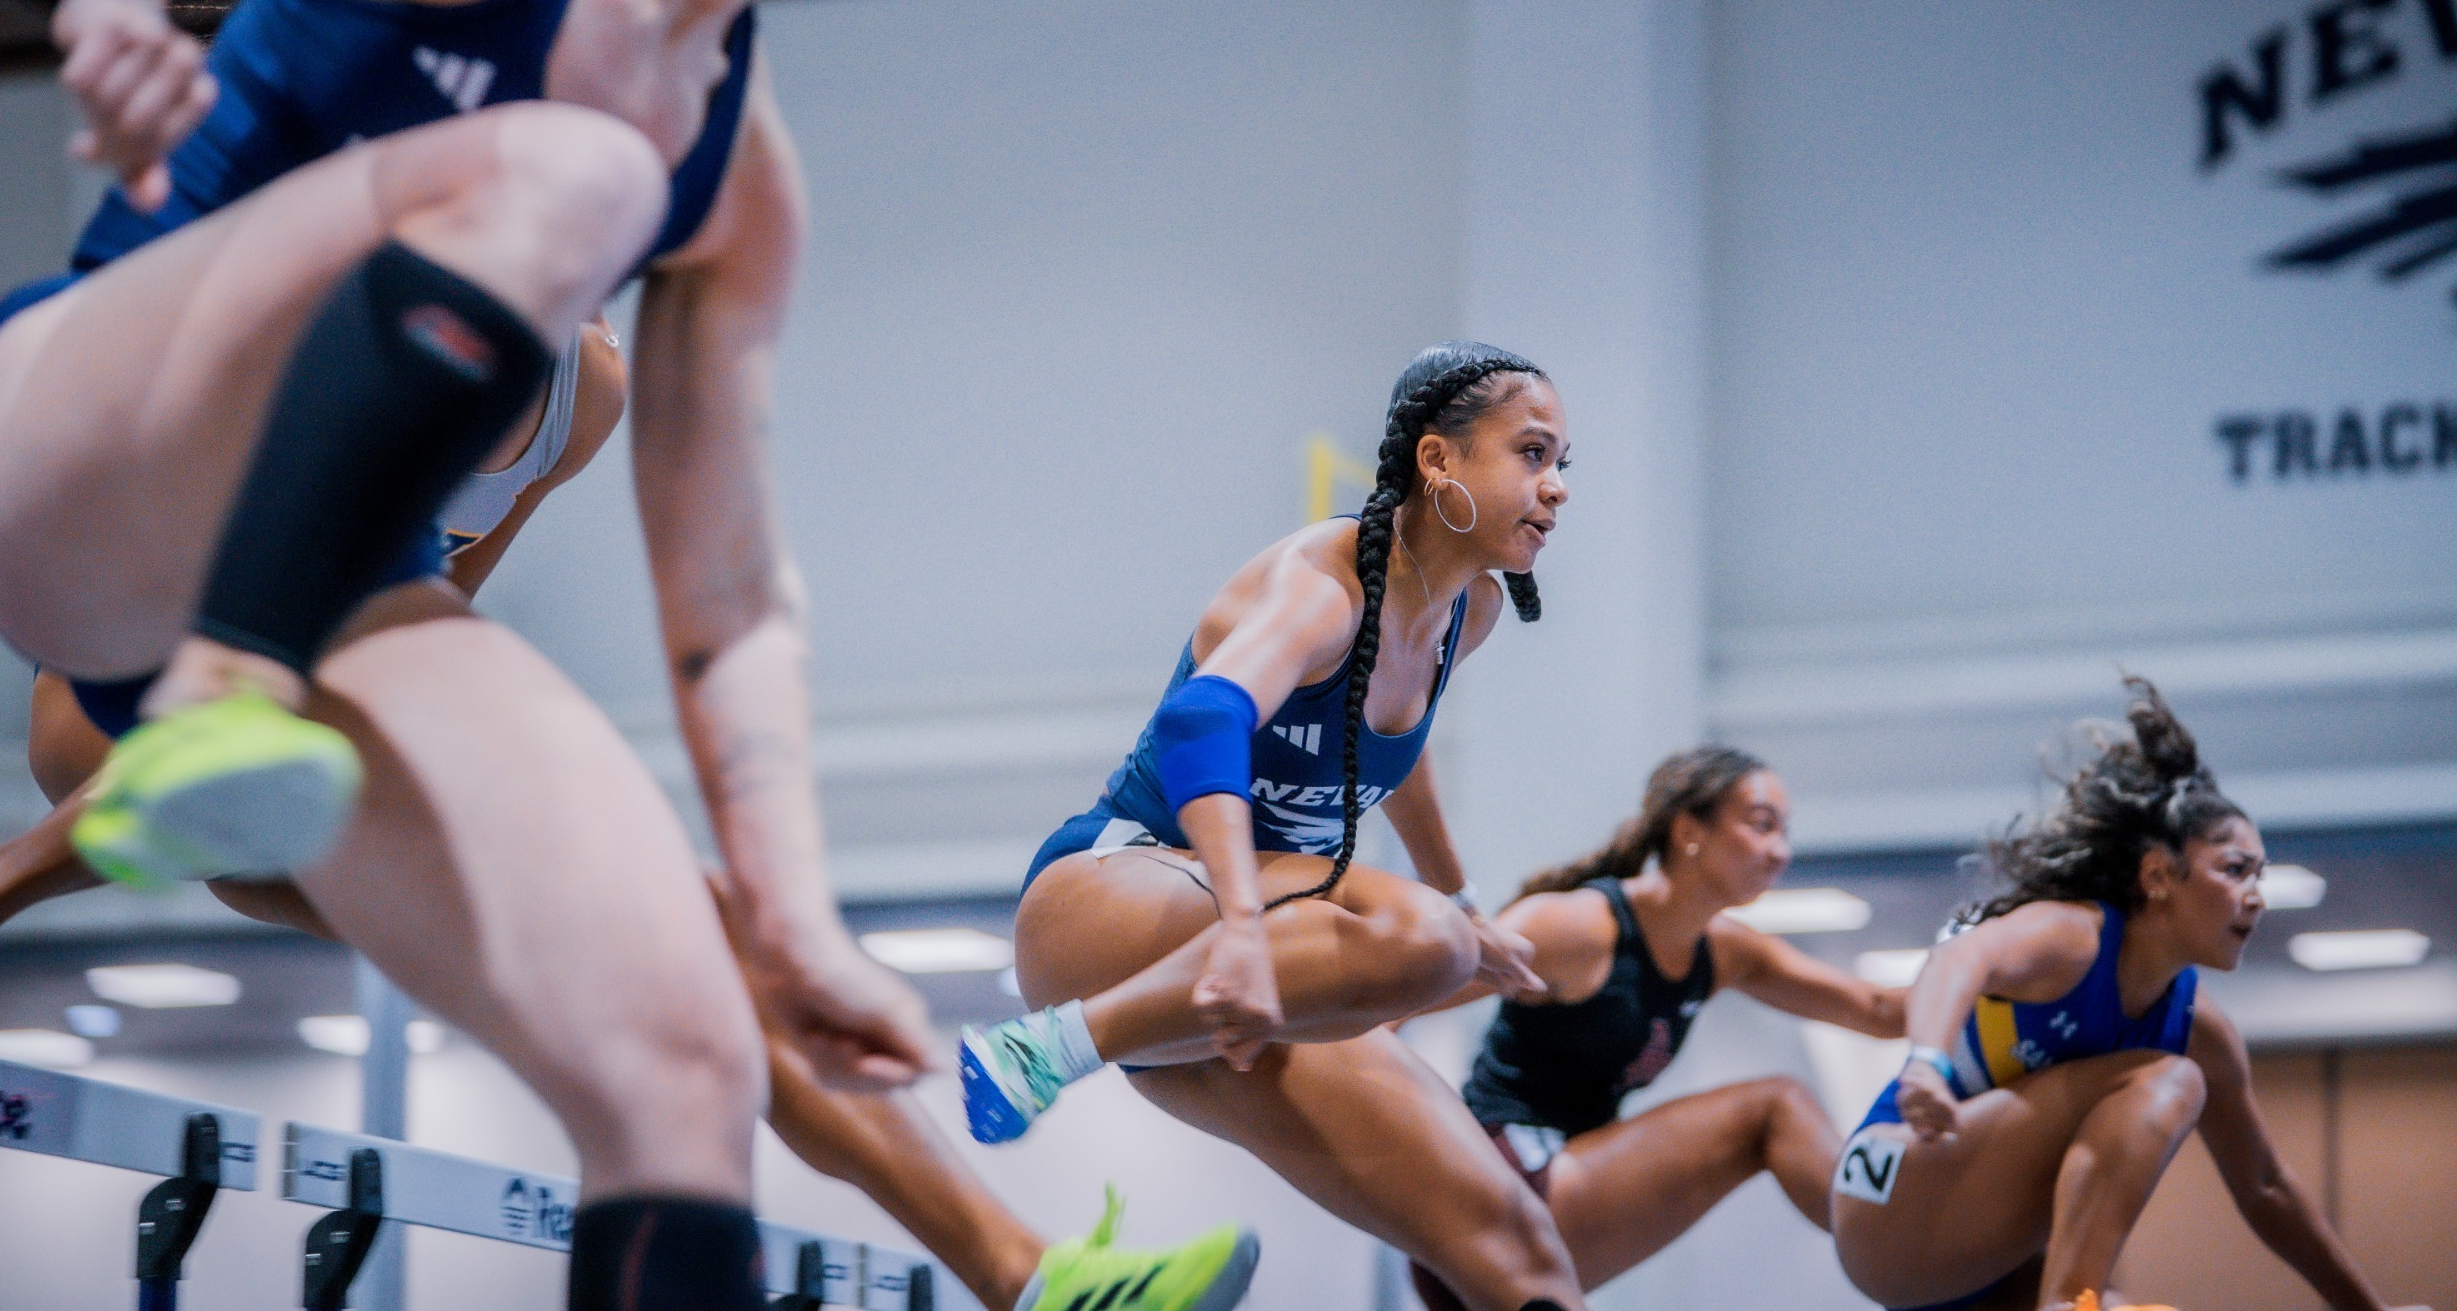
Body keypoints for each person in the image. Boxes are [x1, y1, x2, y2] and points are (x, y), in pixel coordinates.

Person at [0, 0, 1071, 1303]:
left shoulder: (737, 175)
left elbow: (731, 594)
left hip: (346, 593)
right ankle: (220, 684)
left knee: (682, 1053)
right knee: (575, 171)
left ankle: (245, 691)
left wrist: (799, 918)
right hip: (88, 448)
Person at [0, 310, 1253, 1311]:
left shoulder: (585, 389)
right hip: (126, 699)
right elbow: (227, 642)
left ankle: (1024, 1274)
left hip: (329, 714)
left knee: (691, 955)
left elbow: (439, 612)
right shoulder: (345, 324)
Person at [964, 342, 1607, 1311]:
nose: (1555, 487)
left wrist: (1464, 900)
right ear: (1439, 462)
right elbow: (1200, 721)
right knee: (1417, 943)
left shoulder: (1464, 612)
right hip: (1108, 905)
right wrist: (1242, 926)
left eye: (1564, 463)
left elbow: (1397, 749)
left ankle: (1118, 1025)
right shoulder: (1325, 583)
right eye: (1532, 453)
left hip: (1238, 973)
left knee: (1520, 1252)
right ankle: (1047, 1049)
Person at [1831, 678, 2416, 1311]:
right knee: (2172, 1081)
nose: (2257, 896)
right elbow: (1958, 955)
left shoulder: (2200, 1029)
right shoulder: (2073, 938)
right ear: (2159, 875)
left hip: (1988, 1266)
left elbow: (2267, 1187)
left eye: (2263, 877)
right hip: (1891, 1198)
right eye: (2236, 869)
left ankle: (2079, 1297)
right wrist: (1927, 1059)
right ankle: (2073, 1301)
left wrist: (2372, 1310)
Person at [1400, 746, 1907, 1311]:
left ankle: (1913, 1254)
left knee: (1776, 1111)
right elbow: (1394, 1000)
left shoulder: (1726, 952)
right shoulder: (1577, 928)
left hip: (1556, 1197)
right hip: (1497, 1197)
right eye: (1762, 826)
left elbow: (1881, 1011)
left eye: (1785, 832)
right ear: (1689, 829)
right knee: (1775, 1109)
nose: (1780, 852)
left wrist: (1993, 965)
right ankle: (1908, 1254)